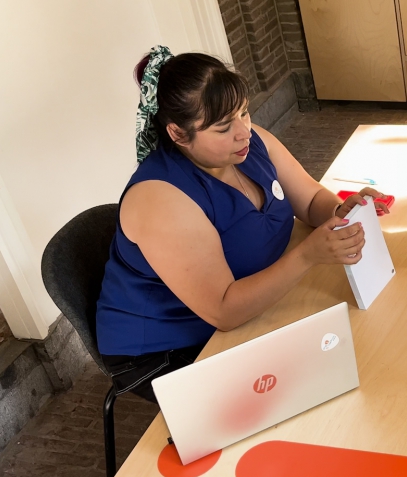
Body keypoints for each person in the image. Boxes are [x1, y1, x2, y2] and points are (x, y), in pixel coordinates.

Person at [95, 46, 389, 401]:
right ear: (177, 133)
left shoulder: (250, 145)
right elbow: (224, 311)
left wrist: (341, 211)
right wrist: (308, 256)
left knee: (362, 348)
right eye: (223, 128)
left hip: (247, 304)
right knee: (314, 389)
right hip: (170, 348)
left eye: (244, 113)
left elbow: (310, 200)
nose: (243, 131)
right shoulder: (161, 200)